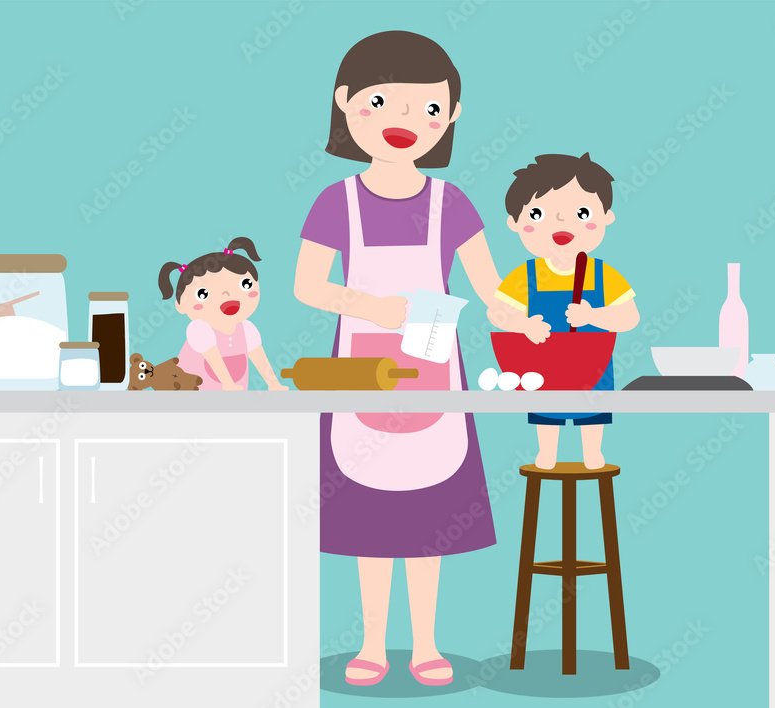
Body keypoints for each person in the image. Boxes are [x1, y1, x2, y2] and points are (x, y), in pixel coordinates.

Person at [293, 31, 503, 687]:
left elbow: (490, 287)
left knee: (430, 516)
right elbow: (308, 286)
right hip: (359, 372)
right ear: (346, 104)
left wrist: (524, 314)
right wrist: (367, 305)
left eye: (427, 109)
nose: (404, 124)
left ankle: (428, 644)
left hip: (437, 374)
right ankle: (373, 644)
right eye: (382, 103)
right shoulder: (337, 202)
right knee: (370, 518)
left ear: (452, 116)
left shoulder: (451, 202)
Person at [490, 153, 640, 469]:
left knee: (593, 407)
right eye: (540, 214)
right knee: (546, 406)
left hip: (594, 362)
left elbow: (629, 317)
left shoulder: (603, 275)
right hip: (543, 363)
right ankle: (546, 451)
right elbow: (497, 313)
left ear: (606, 218)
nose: (561, 225)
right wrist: (523, 325)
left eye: (581, 212)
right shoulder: (526, 276)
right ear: (515, 222)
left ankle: (592, 451)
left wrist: (593, 316)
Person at [158, 237, 287, 391]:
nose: (227, 296)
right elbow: (213, 357)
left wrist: (273, 383)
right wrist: (228, 385)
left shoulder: (246, 328)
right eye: (202, 294)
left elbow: (258, 357)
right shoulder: (199, 329)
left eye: (245, 284)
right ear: (181, 305)